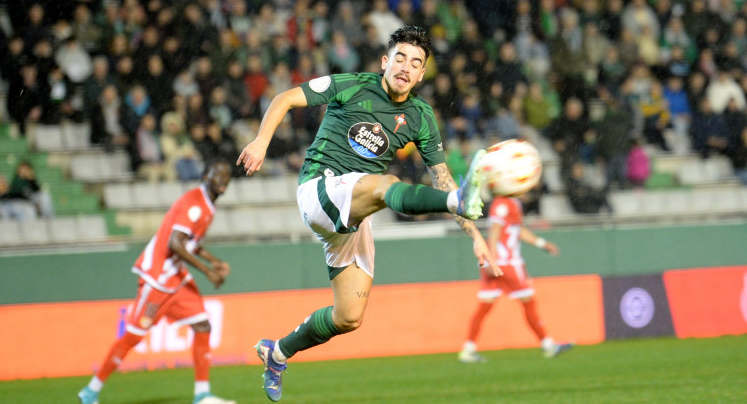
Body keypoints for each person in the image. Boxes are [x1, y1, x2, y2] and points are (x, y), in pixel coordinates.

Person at [236, 25, 500, 402]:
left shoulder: (421, 117)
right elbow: (285, 98)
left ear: (422, 73)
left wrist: (475, 237)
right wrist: (262, 141)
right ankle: (458, 202)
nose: (406, 67)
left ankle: (277, 353)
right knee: (384, 183)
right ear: (385, 61)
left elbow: (441, 179)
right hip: (319, 190)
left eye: (416, 62)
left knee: (349, 316)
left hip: (355, 212)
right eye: (400, 58)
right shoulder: (353, 84)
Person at [77, 161, 235, 404]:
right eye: (217, 174)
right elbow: (175, 243)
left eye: (226, 175)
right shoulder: (194, 203)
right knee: (134, 336)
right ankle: (91, 391)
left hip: (177, 282)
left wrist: (214, 261)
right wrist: (207, 272)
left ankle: (202, 395)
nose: (223, 179)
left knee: (202, 326)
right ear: (205, 177)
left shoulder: (207, 205)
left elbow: (190, 242)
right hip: (158, 282)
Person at [458, 194, 573, 363]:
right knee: (529, 302)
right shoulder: (503, 203)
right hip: (507, 262)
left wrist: (542, 243)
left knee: (484, 307)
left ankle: (468, 349)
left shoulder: (511, 203)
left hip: (497, 261)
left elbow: (517, 230)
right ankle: (548, 345)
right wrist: (493, 258)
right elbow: (495, 230)